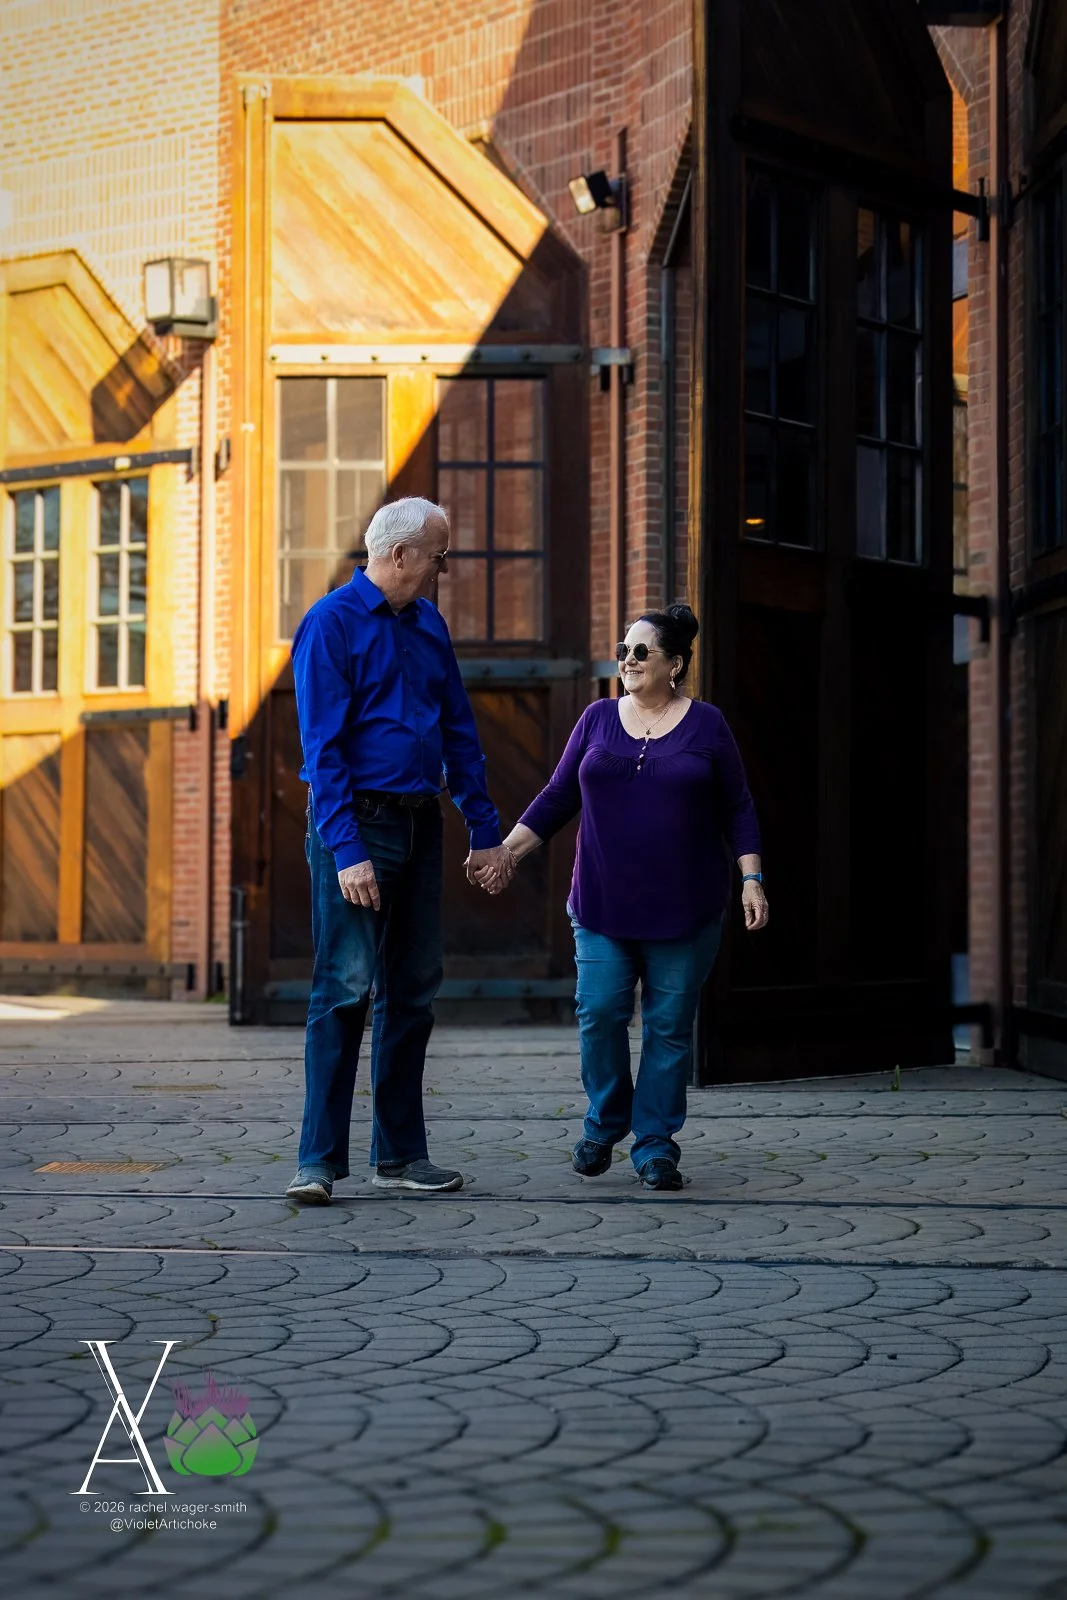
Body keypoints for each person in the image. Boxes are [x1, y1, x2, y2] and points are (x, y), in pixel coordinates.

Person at [476, 604, 768, 1191]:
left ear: (675, 665)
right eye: (623, 650)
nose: (627, 661)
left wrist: (752, 878)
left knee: (666, 1026)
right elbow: (558, 796)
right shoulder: (596, 719)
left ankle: (655, 1144)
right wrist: (506, 851)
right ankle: (606, 1119)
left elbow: (737, 805)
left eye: (641, 652)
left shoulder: (707, 725)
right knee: (601, 1012)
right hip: (603, 903)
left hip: (686, 908)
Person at [285, 497, 514, 1205]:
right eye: (439, 556)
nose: (442, 568)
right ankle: (317, 1162)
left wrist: (483, 828)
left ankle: (400, 1155)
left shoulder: (427, 623)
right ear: (400, 555)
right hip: (356, 825)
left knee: (412, 992)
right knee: (344, 989)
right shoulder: (329, 624)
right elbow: (321, 750)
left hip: (420, 823)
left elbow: (458, 728)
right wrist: (347, 849)